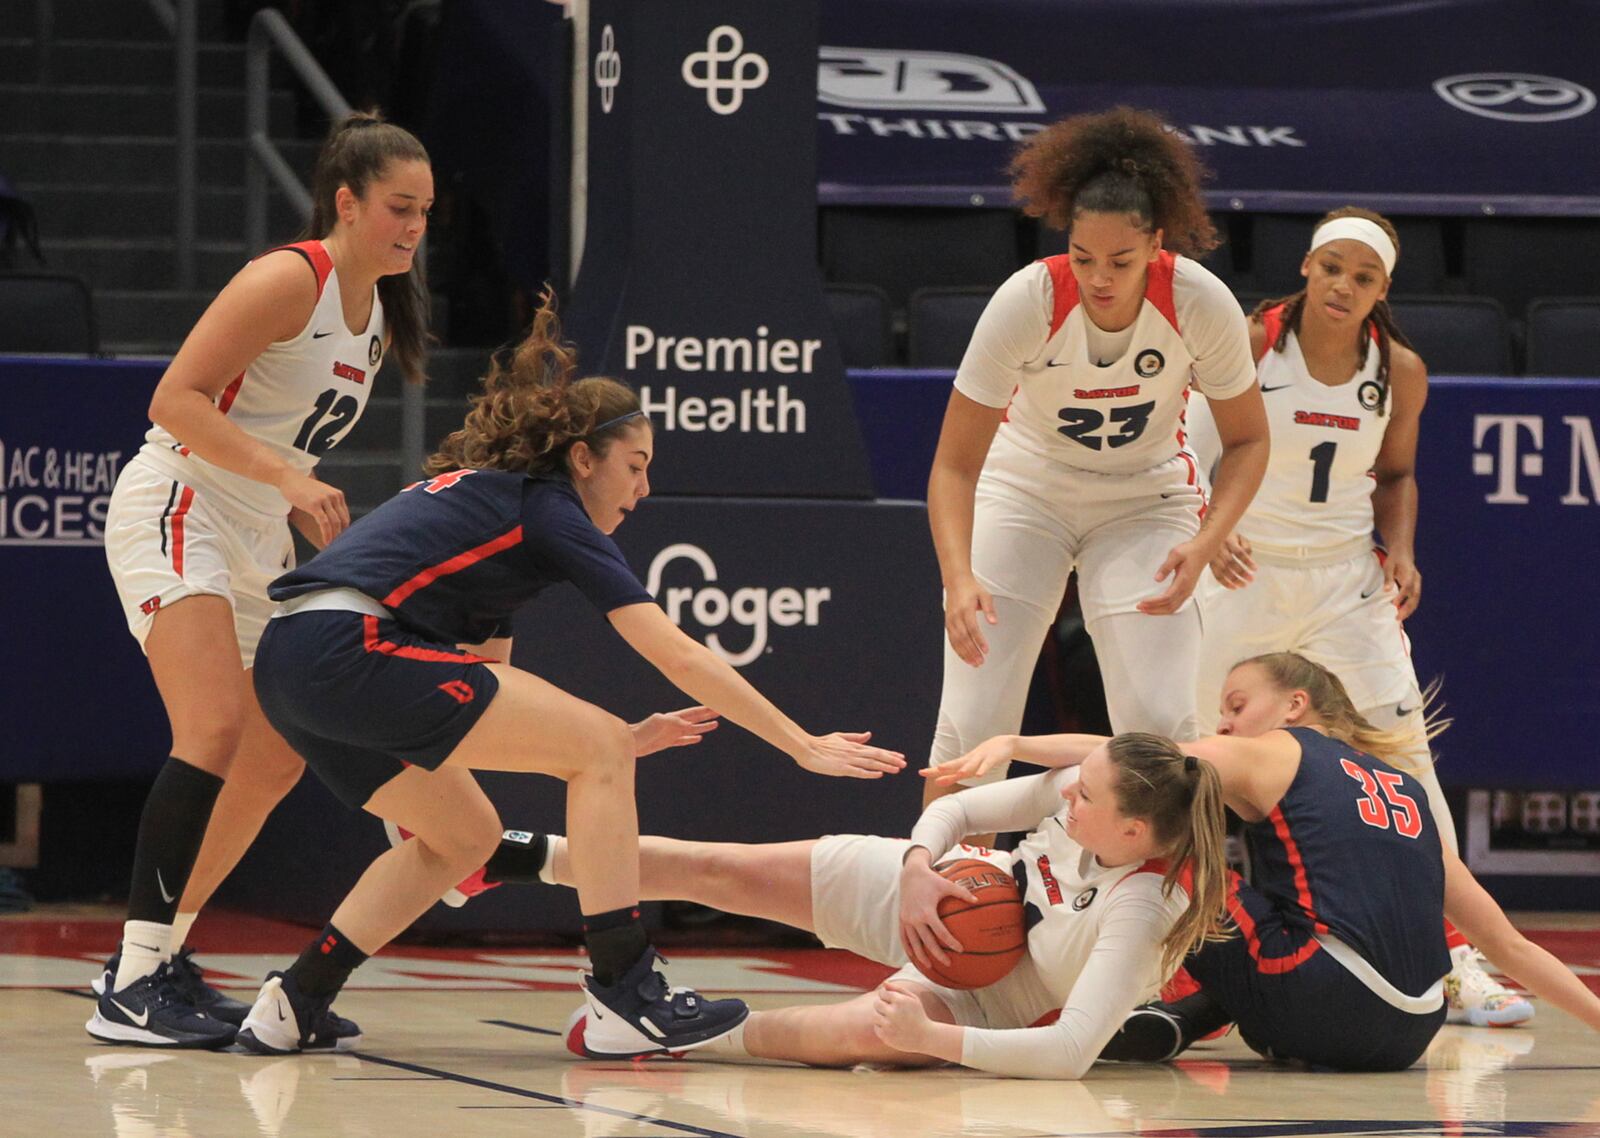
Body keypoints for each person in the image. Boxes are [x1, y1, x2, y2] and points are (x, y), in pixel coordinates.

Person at [230, 295, 907, 1058]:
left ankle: (296, 1000)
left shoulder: (489, 526)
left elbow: (479, 696)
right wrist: (797, 744)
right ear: (583, 458)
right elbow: (674, 653)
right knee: (595, 750)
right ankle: (626, 990)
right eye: (636, 465)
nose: (643, 489)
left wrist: (608, 742)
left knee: (465, 837)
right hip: (343, 643)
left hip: (290, 663)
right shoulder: (547, 509)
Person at [87, 110, 434, 1048]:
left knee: (276, 754)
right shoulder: (290, 277)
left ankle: (155, 961)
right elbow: (174, 398)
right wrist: (287, 480)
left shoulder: (376, 314)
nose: (414, 227)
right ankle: (130, 984)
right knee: (212, 728)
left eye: (426, 212)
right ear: (347, 202)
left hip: (254, 536)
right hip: (179, 502)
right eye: (400, 207)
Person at [1185, 207, 1532, 1027]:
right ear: (1307, 267)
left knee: (1406, 767)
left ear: (1382, 291)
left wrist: (1400, 549)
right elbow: (1187, 447)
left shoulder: (1399, 370)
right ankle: (1172, 950)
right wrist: (1207, 529)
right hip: (1246, 570)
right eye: (1333, 267)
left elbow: (1398, 474)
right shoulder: (1249, 341)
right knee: (1196, 757)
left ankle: (1456, 961)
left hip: (1346, 580)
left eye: (1364, 276)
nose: (1345, 286)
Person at [930, 653, 1600, 1070]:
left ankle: (1070, 995)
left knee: (1162, 851)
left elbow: (1130, 756)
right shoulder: (1409, 793)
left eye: (1236, 706)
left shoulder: (1276, 748)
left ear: (1295, 707)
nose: (1222, 727)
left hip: (1327, 1000)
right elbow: (1506, 943)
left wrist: (1017, 740)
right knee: (1262, 908)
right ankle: (1183, 1017)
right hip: (1412, 1030)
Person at [923, 106, 1268, 810]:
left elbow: (1248, 440)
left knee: (1165, 737)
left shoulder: (1200, 302)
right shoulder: (1027, 300)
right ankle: (940, 901)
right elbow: (954, 467)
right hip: (1026, 492)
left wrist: (1204, 542)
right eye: (1083, 259)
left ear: (1158, 245)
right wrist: (958, 578)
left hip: (1145, 498)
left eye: (1120, 261)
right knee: (971, 723)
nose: (1100, 278)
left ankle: (1162, 914)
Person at [547, 731, 1229, 1079]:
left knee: (868, 1034)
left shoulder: (1143, 911)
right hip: (956, 888)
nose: (1068, 793)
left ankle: (680, 1031)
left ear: (1134, 835)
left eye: (1085, 797)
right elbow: (958, 809)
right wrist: (915, 868)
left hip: (991, 994)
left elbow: (1071, 1051)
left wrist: (932, 1041)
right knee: (726, 867)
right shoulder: (1099, 794)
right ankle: (516, 856)